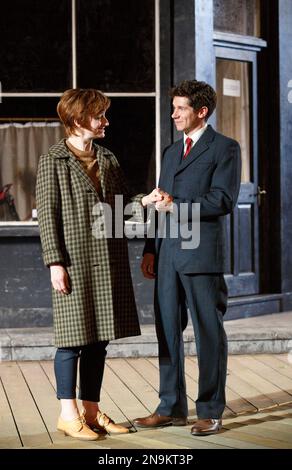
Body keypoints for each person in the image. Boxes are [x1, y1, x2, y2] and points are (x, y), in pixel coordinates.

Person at [36, 88, 162, 441]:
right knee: (71, 339)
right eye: (99, 115)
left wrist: (147, 200)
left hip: (107, 259)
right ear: (78, 121)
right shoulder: (53, 160)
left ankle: (91, 412)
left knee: (97, 341)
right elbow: (48, 215)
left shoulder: (107, 158)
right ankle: (68, 414)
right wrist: (54, 263)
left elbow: (123, 208)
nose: (105, 121)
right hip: (74, 261)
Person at [133, 80, 241, 436]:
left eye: (180, 108)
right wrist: (151, 248)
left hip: (202, 257)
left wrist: (176, 206)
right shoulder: (169, 152)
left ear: (201, 111)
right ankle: (170, 407)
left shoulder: (225, 148)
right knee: (167, 332)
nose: (174, 113)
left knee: (209, 333)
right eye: (174, 107)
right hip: (166, 255)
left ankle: (210, 410)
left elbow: (222, 200)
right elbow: (158, 203)